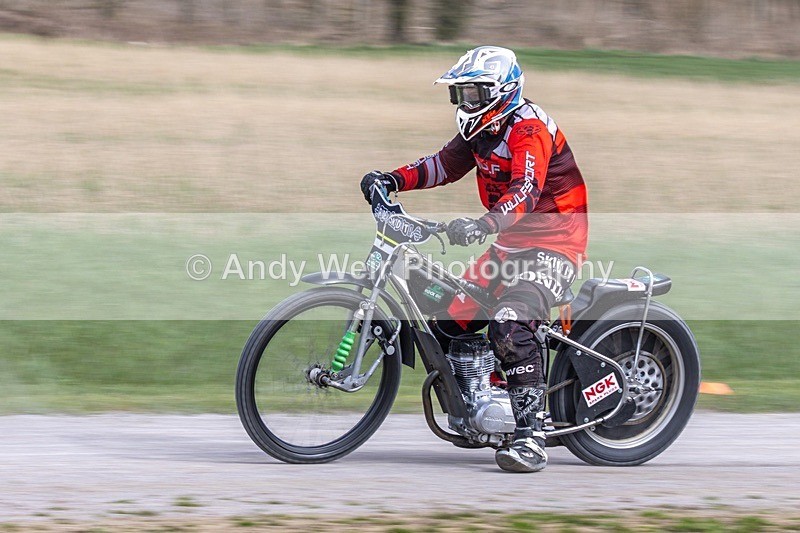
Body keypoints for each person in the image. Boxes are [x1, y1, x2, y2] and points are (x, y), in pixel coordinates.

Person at [360, 46, 588, 473]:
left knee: (509, 322)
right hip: (508, 247)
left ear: (500, 92)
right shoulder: (483, 130)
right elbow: (442, 165)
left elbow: (525, 192)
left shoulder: (528, 130)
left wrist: (483, 225)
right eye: (460, 94)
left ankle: (532, 434)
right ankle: (490, 395)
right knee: (446, 319)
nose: (465, 104)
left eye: (473, 94)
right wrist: (391, 179)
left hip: (555, 245)